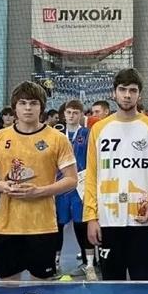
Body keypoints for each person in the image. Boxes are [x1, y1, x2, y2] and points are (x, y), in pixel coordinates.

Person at [0, 81, 78, 281]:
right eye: (22, 103)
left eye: (33, 103)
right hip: (7, 226)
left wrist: (39, 191)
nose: (28, 108)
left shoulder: (57, 138)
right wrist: (2, 186)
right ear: (14, 107)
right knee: (8, 287)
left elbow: (71, 180)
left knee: (41, 288)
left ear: (41, 107)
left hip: (43, 225)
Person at [84, 69, 148, 281]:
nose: (127, 95)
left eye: (132, 90)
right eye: (122, 90)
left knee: (146, 285)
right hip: (108, 221)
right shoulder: (99, 129)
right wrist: (91, 217)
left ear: (139, 95)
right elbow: (92, 176)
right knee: (112, 287)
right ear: (113, 93)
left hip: (143, 221)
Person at [54, 99, 95, 279]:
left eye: (75, 113)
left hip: (80, 187)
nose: (71, 116)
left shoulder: (87, 134)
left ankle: (90, 265)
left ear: (81, 115)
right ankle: (55, 263)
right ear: (64, 114)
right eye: (69, 112)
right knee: (58, 225)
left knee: (82, 225)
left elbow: (93, 160)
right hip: (60, 186)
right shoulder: (55, 133)